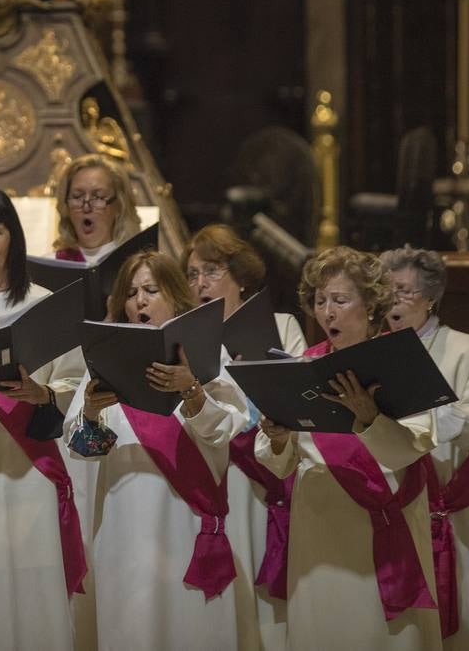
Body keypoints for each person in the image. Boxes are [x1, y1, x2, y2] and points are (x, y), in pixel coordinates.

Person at [64, 250, 255, 650]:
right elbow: (82, 448)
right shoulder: (103, 360)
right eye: (131, 293)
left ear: (175, 295)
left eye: (151, 289)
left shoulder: (206, 356)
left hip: (185, 522)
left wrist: (190, 388)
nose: (140, 301)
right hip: (123, 525)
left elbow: (225, 429)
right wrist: (94, 411)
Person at [256, 246, 440, 650]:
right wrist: (278, 437)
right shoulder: (304, 364)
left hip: (383, 522)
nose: (327, 312)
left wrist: (369, 417)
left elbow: (415, 446)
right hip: (318, 529)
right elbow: (278, 464)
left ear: (372, 305)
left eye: (340, 300)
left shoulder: (402, 358)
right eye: (320, 301)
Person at [0, 189, 87, 650]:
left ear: (13, 238)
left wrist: (42, 393)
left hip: (28, 467)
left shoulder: (42, 303)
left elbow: (77, 387)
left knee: (31, 589)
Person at [184, 223, 306, 651]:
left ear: (240, 277)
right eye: (192, 274)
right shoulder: (187, 339)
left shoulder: (282, 324)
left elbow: (295, 395)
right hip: (216, 476)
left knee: (267, 608)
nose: (200, 284)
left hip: (265, 473)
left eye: (211, 272)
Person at [380, 246, 469, 650]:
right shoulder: (372, 346)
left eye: (405, 292)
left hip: (447, 500)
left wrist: (425, 406)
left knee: (463, 621)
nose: (394, 301)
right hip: (388, 501)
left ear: (430, 297)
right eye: (387, 291)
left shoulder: (465, 348)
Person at [52, 154, 143, 263]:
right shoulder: (50, 265)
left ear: (119, 205)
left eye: (98, 197)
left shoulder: (138, 265)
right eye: (77, 196)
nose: (86, 207)